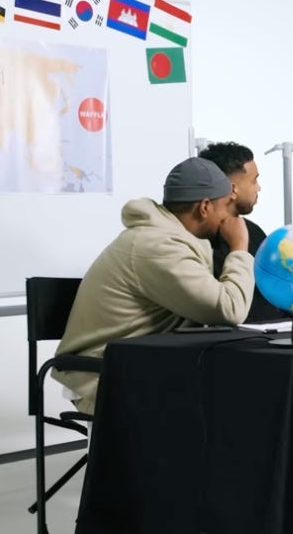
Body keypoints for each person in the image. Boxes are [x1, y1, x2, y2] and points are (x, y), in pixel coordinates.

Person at [52, 157, 255, 414]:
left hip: (142, 365)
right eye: (226, 206)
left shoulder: (174, 238)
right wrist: (239, 248)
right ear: (205, 207)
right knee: (237, 403)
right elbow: (229, 309)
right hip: (104, 377)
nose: (231, 217)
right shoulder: (158, 246)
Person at [199, 141, 287, 323]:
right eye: (254, 180)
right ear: (233, 189)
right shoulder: (201, 241)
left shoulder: (254, 232)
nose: (258, 187)